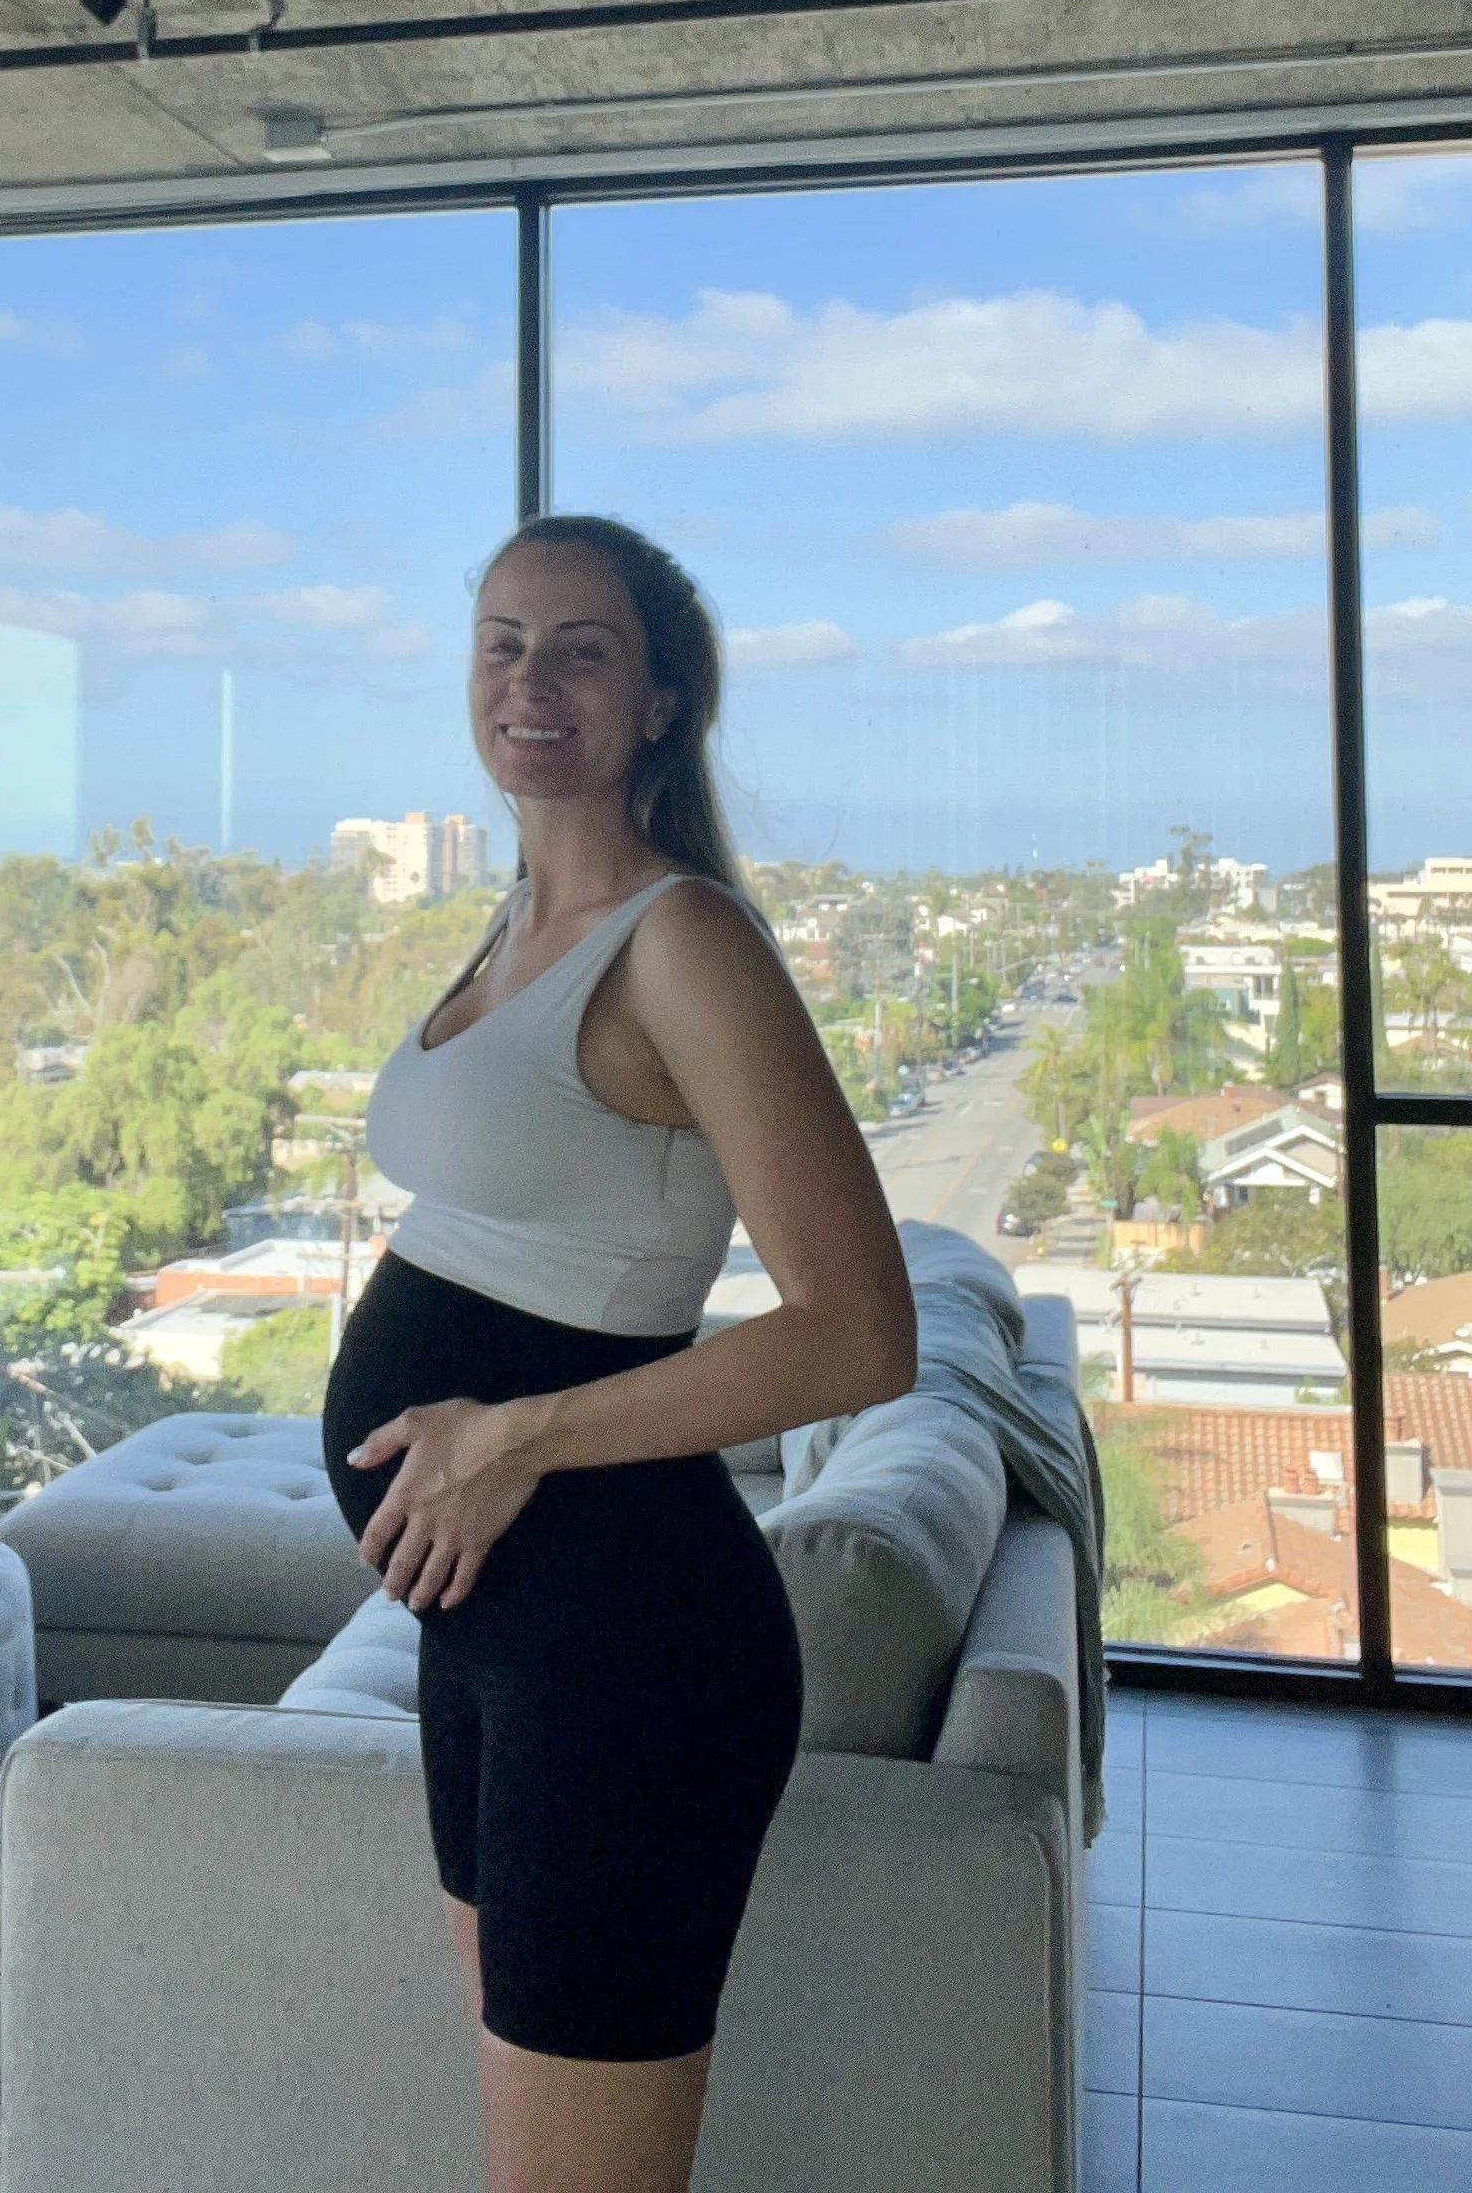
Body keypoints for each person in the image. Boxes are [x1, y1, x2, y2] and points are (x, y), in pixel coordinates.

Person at [324, 514, 917, 2193]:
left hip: (627, 1654)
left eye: (582, 646)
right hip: (491, 1627)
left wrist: (508, 1437)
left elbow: (860, 1332)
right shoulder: (515, 917)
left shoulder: (686, 941)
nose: (530, 678)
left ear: (660, 699)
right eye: (502, 640)